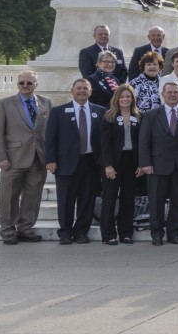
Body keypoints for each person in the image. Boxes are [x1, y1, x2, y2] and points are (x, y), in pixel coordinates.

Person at [44, 79, 104, 245]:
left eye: (85, 88)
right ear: (72, 91)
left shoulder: (100, 111)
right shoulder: (59, 111)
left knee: (87, 200)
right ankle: (65, 232)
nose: (82, 91)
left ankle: (81, 232)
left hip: (91, 162)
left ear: (90, 92)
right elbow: (50, 138)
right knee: (66, 200)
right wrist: (50, 159)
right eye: (79, 88)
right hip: (66, 163)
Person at [139, 81, 178, 245]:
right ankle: (156, 233)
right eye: (169, 92)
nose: (172, 95)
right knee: (156, 202)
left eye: (175, 92)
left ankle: (174, 233)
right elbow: (143, 141)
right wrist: (145, 163)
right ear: (162, 95)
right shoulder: (151, 115)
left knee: (177, 201)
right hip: (157, 165)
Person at [98, 85, 142, 245]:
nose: (125, 99)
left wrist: (141, 164)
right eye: (122, 97)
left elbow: (142, 142)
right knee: (109, 198)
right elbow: (105, 143)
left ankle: (126, 233)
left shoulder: (138, 116)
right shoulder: (109, 116)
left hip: (132, 162)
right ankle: (108, 234)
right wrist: (108, 165)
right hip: (113, 162)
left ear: (132, 99)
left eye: (128, 97)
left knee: (128, 199)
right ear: (117, 98)